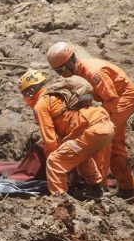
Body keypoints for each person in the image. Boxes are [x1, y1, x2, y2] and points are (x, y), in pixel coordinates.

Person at [46, 42, 134, 199]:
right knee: (116, 143)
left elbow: (110, 99)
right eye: (57, 72)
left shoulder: (94, 73)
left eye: (61, 70)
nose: (61, 75)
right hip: (114, 100)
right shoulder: (79, 72)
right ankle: (128, 188)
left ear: (70, 62)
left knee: (102, 137)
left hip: (124, 98)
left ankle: (99, 186)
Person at [19, 70, 114, 198]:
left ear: (29, 92)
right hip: (105, 125)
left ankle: (60, 200)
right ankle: (96, 188)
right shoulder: (57, 95)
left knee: (54, 161)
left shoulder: (41, 105)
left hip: (92, 129)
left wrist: (54, 162)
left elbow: (50, 141)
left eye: (24, 93)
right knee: (80, 155)